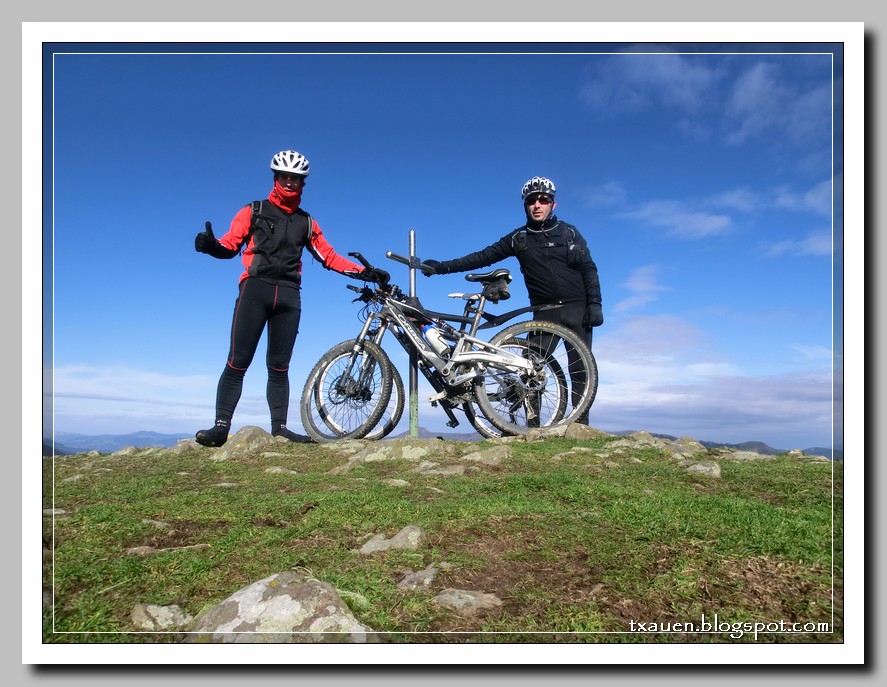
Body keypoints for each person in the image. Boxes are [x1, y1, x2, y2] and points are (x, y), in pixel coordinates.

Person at [193, 149, 389, 447]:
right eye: (284, 177)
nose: (289, 183)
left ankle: (280, 429)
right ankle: (220, 428)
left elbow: (329, 257)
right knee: (238, 361)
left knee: (279, 366)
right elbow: (230, 245)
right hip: (254, 291)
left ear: (303, 184)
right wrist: (211, 246)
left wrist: (367, 273)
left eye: (295, 179)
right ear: (275, 178)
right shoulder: (254, 210)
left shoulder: (307, 222)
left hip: (289, 296)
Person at [423, 176, 602, 424]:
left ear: (553, 204)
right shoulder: (519, 238)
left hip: (577, 308)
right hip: (543, 312)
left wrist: (595, 304)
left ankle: (581, 426)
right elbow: (481, 257)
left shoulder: (569, 233)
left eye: (543, 200)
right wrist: (442, 267)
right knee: (530, 370)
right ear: (525, 205)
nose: (537, 205)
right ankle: (532, 425)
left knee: (579, 370)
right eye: (532, 200)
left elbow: (589, 269)